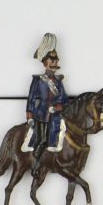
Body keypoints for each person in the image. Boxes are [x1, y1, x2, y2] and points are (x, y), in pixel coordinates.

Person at [26, 33, 67, 165]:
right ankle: (36, 165)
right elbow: (31, 99)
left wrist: (58, 107)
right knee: (42, 140)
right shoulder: (38, 80)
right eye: (52, 61)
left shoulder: (58, 81)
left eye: (56, 61)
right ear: (45, 63)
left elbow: (64, 100)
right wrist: (30, 116)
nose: (55, 63)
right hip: (41, 115)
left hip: (56, 116)